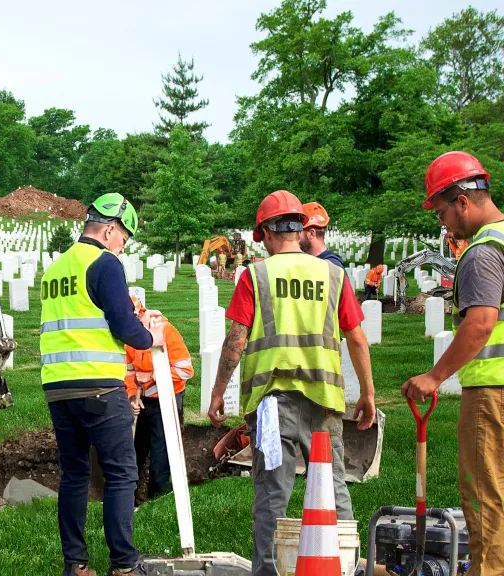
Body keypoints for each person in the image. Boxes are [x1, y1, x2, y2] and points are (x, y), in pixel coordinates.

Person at [207, 190, 377, 576]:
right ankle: (345, 565)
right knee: (332, 487)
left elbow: (236, 339)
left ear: (266, 233)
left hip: (272, 402)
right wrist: (367, 391)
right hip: (324, 400)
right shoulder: (333, 274)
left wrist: (219, 391)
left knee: (272, 492)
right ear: (301, 229)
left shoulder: (256, 275)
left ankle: (267, 571)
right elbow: (356, 336)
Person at [40, 193, 164, 576]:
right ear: (109, 230)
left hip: (58, 386)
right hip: (98, 385)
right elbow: (124, 326)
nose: (122, 248)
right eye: (123, 239)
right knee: (122, 472)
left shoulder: (56, 268)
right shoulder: (105, 263)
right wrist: (151, 338)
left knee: (75, 474)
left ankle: (75, 565)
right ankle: (124, 565)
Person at [402, 151, 504, 575]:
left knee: (485, 502)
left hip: (491, 393)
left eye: (441, 211)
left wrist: (434, 375)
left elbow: (480, 324)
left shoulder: (482, 252)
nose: (442, 223)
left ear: (462, 200)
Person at [125, 297, 193, 501]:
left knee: (161, 455)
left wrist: (152, 377)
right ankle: (131, 498)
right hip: (143, 401)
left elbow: (185, 370)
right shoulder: (128, 336)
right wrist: (131, 395)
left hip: (167, 399)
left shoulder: (165, 330)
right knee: (135, 450)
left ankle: (159, 498)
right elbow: (128, 371)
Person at [299, 201, 345, 269]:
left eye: (299, 232)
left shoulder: (333, 266)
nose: (296, 237)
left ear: (311, 234)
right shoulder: (305, 261)